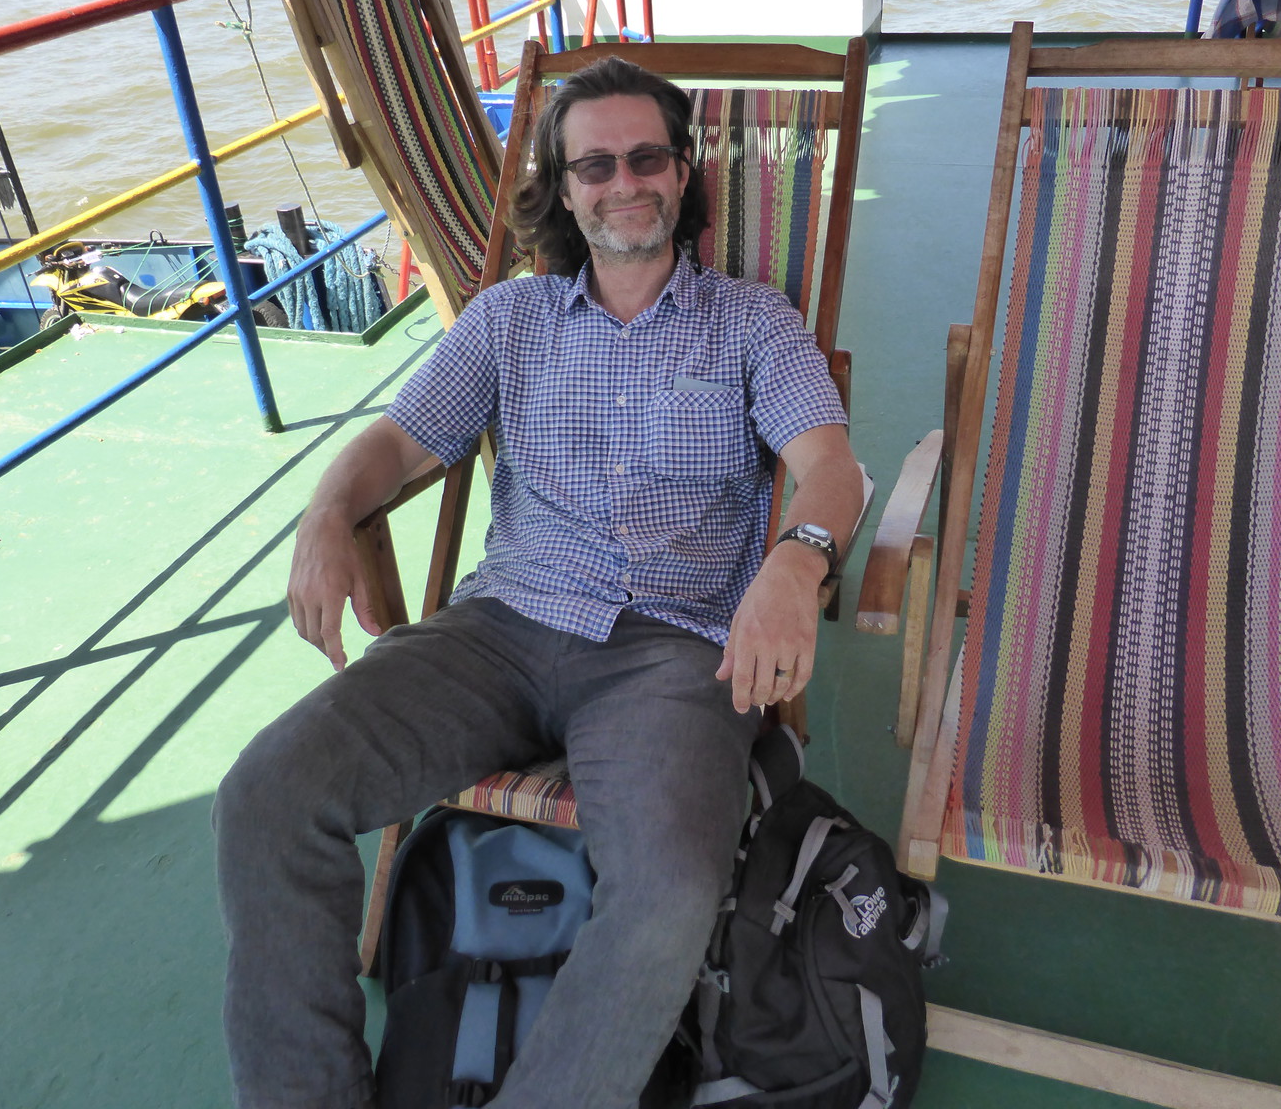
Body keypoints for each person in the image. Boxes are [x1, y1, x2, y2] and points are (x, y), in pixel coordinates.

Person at [213, 54, 865, 1109]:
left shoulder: (750, 321)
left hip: (672, 653)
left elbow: (829, 463)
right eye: (594, 164)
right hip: (498, 633)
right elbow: (397, 442)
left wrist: (799, 556)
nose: (624, 182)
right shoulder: (509, 322)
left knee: (664, 897)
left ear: (683, 168)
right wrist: (329, 511)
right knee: (268, 793)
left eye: (646, 156)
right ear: (563, 189)